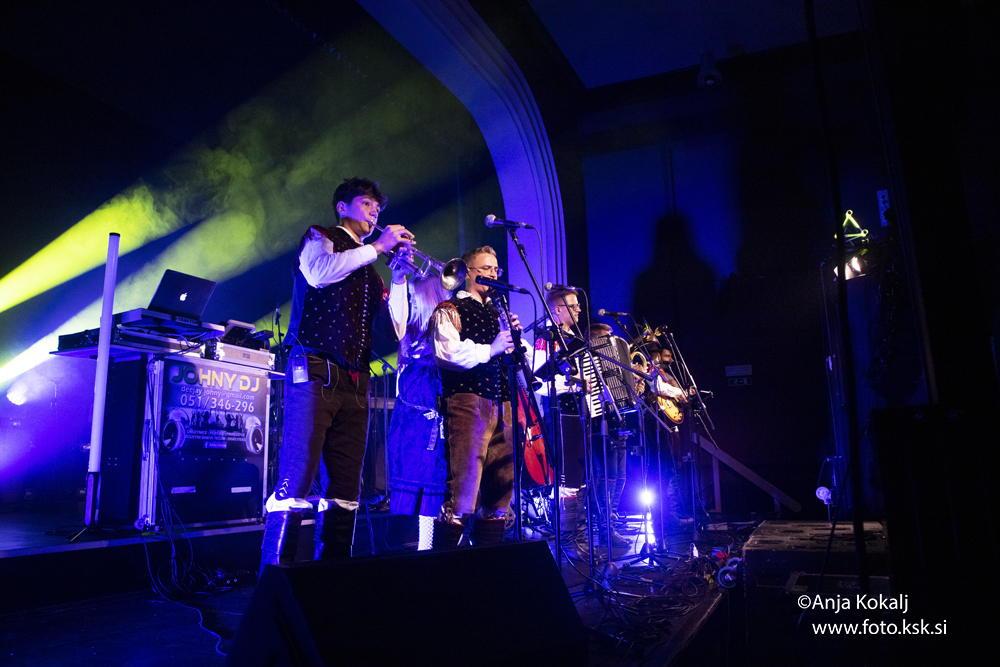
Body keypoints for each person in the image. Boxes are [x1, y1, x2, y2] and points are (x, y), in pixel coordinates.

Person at [259, 177, 414, 571]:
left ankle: (332, 577)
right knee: (297, 474)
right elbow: (318, 274)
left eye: (377, 207)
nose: (374, 212)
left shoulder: (371, 271)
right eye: (366, 204)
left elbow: (394, 330)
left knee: (346, 484)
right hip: (315, 369)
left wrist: (398, 278)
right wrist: (377, 247)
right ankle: (274, 579)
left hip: (355, 380)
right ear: (342, 207)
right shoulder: (321, 236)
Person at [429, 246, 521, 548]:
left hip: (502, 404)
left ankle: (487, 566)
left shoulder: (499, 313)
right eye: (486, 269)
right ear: (469, 272)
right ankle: (444, 568)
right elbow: (446, 354)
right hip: (468, 402)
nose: (493, 275)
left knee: (500, 492)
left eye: (496, 269)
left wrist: (514, 340)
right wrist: (490, 349)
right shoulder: (449, 309)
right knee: (462, 493)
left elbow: (512, 361)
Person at [386, 274, 453, 550]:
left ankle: (426, 549)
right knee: (410, 485)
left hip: (427, 422)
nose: (411, 303)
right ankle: (409, 549)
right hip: (409, 423)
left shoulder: (441, 336)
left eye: (415, 298)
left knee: (429, 486)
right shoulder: (409, 335)